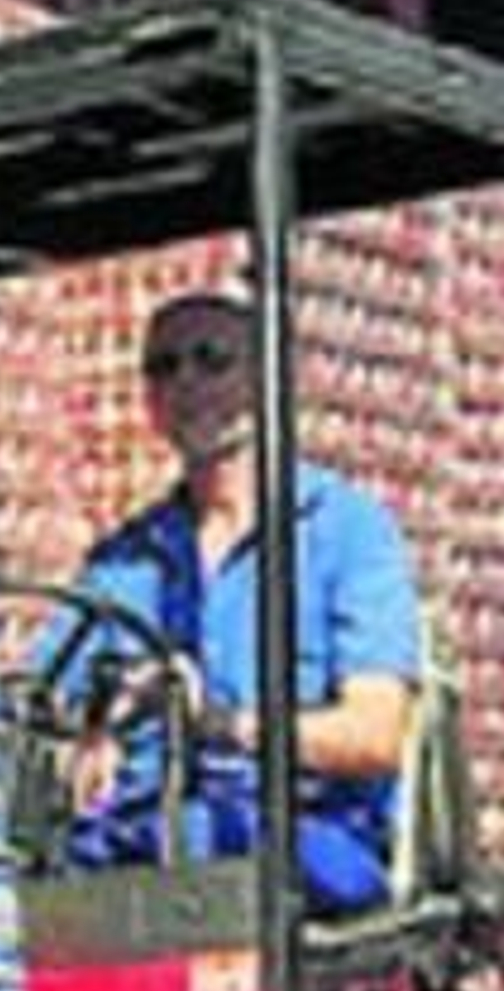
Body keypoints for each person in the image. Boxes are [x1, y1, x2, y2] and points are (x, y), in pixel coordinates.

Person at [56, 284, 423, 911]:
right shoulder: (121, 559)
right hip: (140, 839)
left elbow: (376, 733)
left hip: (301, 837)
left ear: (268, 378)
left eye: (211, 359)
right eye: (163, 367)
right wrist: (91, 733)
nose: (187, 382)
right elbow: (53, 704)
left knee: (194, 844)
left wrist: (221, 724)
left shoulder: (347, 531)